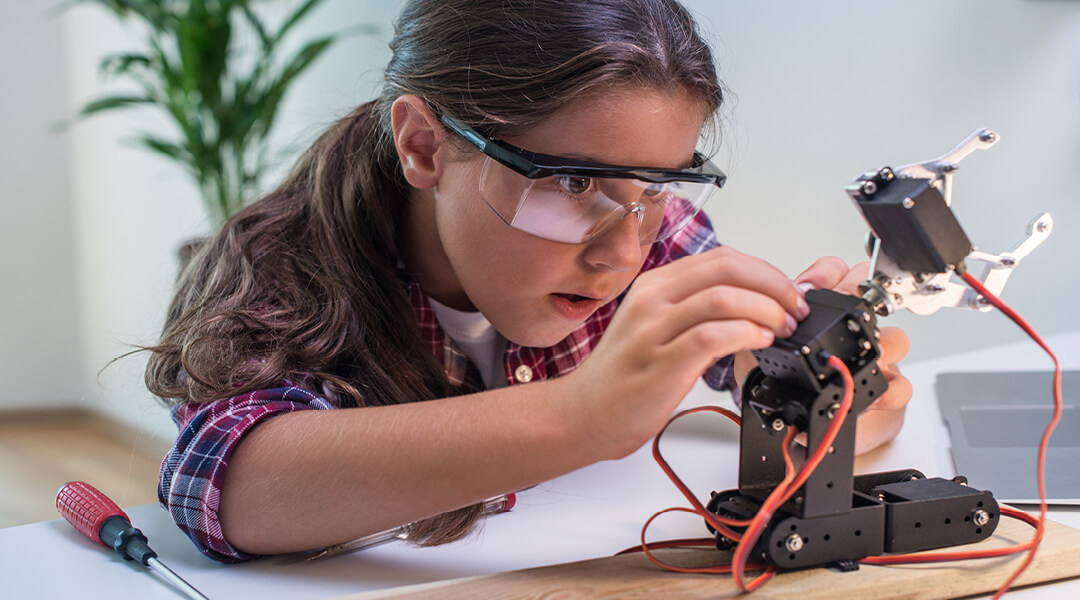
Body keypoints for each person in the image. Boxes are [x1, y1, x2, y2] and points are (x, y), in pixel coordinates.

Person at [146, 0, 912, 563]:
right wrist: (581, 415)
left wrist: (805, 385)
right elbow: (221, 488)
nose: (621, 252)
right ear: (424, 146)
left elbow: (828, 400)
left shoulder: (652, 232)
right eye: (574, 184)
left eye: (656, 189)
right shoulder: (280, 264)